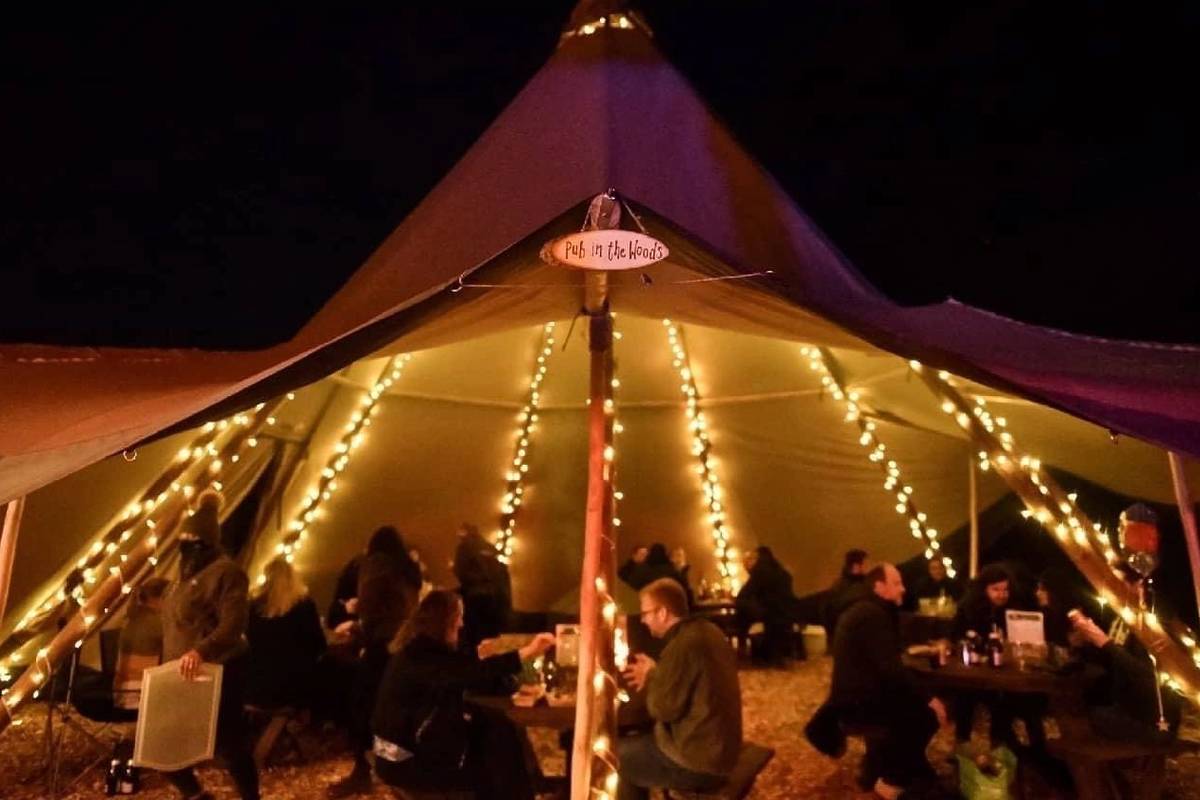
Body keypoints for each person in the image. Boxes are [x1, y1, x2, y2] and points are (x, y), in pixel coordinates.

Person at [371, 590, 556, 799]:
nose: (461, 624)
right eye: (458, 617)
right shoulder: (417, 657)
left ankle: (529, 789)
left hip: (416, 747)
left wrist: (511, 684)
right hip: (401, 760)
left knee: (495, 727)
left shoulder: (431, 651)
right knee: (493, 761)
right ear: (444, 622)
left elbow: (473, 673)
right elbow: (464, 672)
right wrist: (528, 651)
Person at [160, 489, 261, 800]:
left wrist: (200, 650)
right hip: (181, 672)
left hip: (220, 669)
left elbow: (233, 625)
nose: (185, 547)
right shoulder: (182, 577)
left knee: (230, 745)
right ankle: (198, 797)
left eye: (192, 541)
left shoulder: (227, 573)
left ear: (205, 543)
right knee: (164, 746)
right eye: (184, 540)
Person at [827, 563, 946, 799]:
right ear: (879, 587)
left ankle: (898, 767)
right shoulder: (871, 614)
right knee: (927, 715)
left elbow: (885, 660)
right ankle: (892, 779)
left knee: (916, 700)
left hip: (857, 692)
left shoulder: (867, 609)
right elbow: (891, 669)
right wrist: (929, 698)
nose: (903, 588)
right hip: (859, 701)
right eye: (897, 583)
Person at [618, 578, 743, 800]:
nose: (644, 621)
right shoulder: (707, 631)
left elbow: (662, 709)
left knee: (617, 756)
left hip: (701, 760)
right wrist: (658, 672)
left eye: (646, 613)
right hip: (723, 748)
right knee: (636, 743)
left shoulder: (682, 646)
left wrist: (651, 676)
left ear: (663, 613)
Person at [329, 525, 422, 798]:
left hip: (380, 645)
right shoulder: (408, 570)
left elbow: (372, 612)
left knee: (363, 707)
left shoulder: (374, 566)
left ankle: (366, 768)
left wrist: (358, 631)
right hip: (403, 647)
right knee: (394, 710)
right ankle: (397, 767)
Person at [952, 564, 1046, 750]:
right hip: (974, 669)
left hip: (1003, 670)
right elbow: (956, 636)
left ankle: (1004, 743)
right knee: (964, 694)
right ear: (983, 589)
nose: (1001, 594)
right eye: (995, 589)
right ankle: (962, 744)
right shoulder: (968, 608)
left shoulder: (1012, 609)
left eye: (1005, 590)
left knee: (1013, 698)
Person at [246, 557, 326, 710]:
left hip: (255, 682)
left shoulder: (253, 605)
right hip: (291, 686)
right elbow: (318, 644)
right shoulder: (304, 605)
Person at [735, 546, 801, 664]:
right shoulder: (783, 573)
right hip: (787, 612)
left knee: (741, 614)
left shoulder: (760, 572)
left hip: (770, 613)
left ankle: (742, 649)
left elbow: (743, 595)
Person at [453, 523, 513, 648]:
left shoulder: (463, 548)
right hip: (495, 601)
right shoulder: (490, 548)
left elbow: (460, 571)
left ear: (463, 532)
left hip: (473, 599)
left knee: (473, 639)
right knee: (489, 640)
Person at [113, 577, 168, 709]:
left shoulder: (131, 618)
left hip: (120, 693)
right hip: (139, 695)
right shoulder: (157, 623)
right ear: (160, 598)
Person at [823, 549, 868, 638]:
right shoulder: (859, 590)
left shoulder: (837, 585)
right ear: (856, 567)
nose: (868, 567)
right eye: (865, 564)